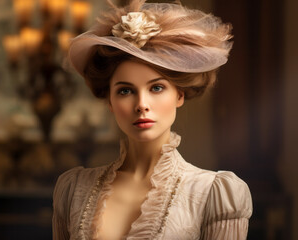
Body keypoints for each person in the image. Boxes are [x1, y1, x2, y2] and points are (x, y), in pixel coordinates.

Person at [52, 0, 253, 239]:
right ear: (110, 102)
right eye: (125, 91)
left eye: (156, 88)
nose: (141, 105)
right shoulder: (73, 190)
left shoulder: (213, 193)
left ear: (179, 94)